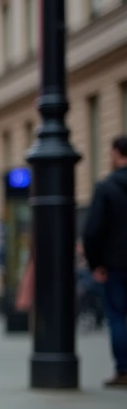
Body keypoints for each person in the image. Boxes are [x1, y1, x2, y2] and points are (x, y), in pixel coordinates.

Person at [82, 134, 127, 388]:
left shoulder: (107, 187)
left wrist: (95, 263)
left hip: (115, 264)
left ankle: (123, 369)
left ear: (116, 154)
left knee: (117, 317)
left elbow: (92, 231)